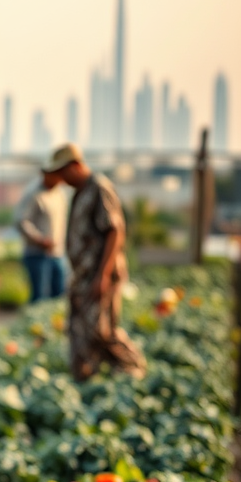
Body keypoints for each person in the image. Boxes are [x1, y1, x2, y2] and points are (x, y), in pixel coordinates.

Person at [48, 143, 146, 380]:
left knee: (101, 330)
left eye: (63, 172)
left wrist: (103, 274)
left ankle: (133, 369)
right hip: (83, 275)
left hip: (100, 274)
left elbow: (114, 230)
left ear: (75, 165)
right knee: (78, 330)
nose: (61, 178)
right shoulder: (80, 191)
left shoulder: (99, 187)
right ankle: (86, 378)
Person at [14, 163, 68, 302]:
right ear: (46, 174)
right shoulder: (33, 193)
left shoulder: (59, 193)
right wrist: (40, 240)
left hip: (57, 253)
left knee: (59, 294)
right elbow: (21, 221)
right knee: (40, 297)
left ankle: (55, 324)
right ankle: (35, 324)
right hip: (37, 255)